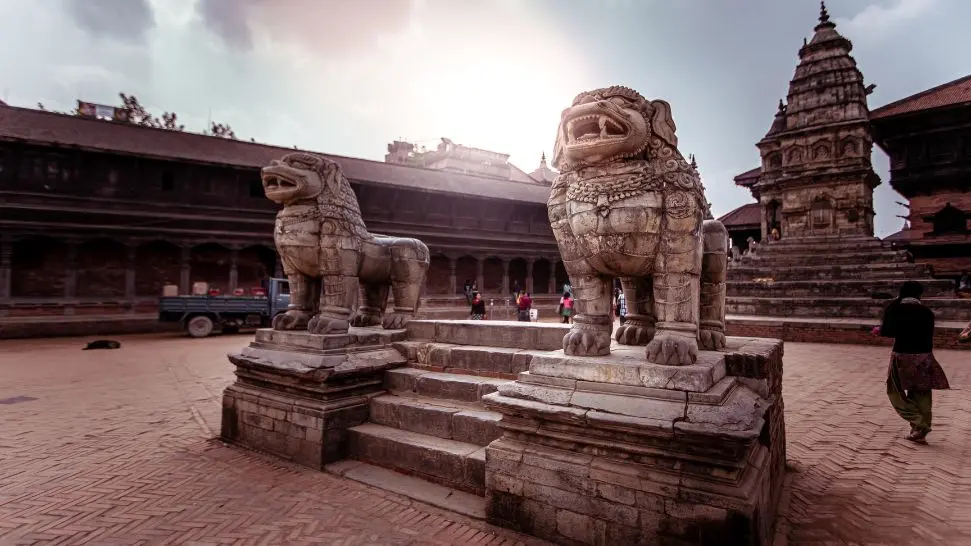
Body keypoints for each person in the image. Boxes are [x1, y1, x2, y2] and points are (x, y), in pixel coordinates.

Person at [874, 281, 950, 444]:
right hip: (924, 356)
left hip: (902, 355)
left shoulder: (896, 309)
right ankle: (921, 430)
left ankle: (917, 422)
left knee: (894, 391)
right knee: (921, 393)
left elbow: (887, 331)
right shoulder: (926, 312)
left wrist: (894, 303)